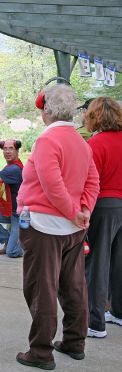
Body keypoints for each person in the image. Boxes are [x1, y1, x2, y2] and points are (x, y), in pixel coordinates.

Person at [16, 84, 99, 370]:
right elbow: (92, 182)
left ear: (45, 110)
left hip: (44, 227)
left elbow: (52, 186)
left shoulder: (47, 141)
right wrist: (83, 210)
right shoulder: (80, 141)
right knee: (73, 286)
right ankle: (75, 342)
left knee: (42, 288)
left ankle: (40, 351)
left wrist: (75, 211)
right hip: (73, 229)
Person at [84, 97, 122, 338]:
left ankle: (95, 322)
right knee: (119, 262)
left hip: (104, 205)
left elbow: (88, 181)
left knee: (97, 263)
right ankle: (118, 312)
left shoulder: (95, 144)